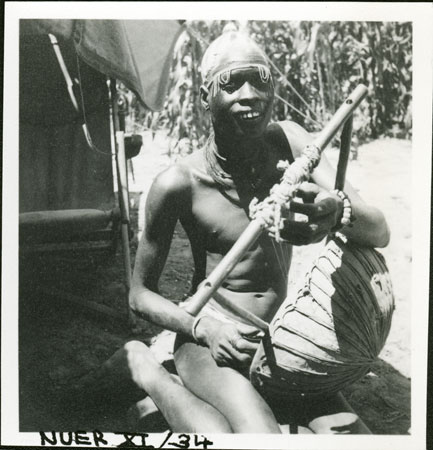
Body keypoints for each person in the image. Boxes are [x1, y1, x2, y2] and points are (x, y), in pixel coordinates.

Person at [123, 30, 390, 433]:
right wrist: (204, 328)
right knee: (257, 437)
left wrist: (337, 214)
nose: (249, 95)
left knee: (354, 437)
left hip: (286, 340)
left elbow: (380, 230)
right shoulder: (178, 183)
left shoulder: (293, 143)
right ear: (204, 97)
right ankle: (150, 373)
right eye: (231, 83)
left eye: (260, 80)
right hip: (211, 339)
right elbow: (139, 294)